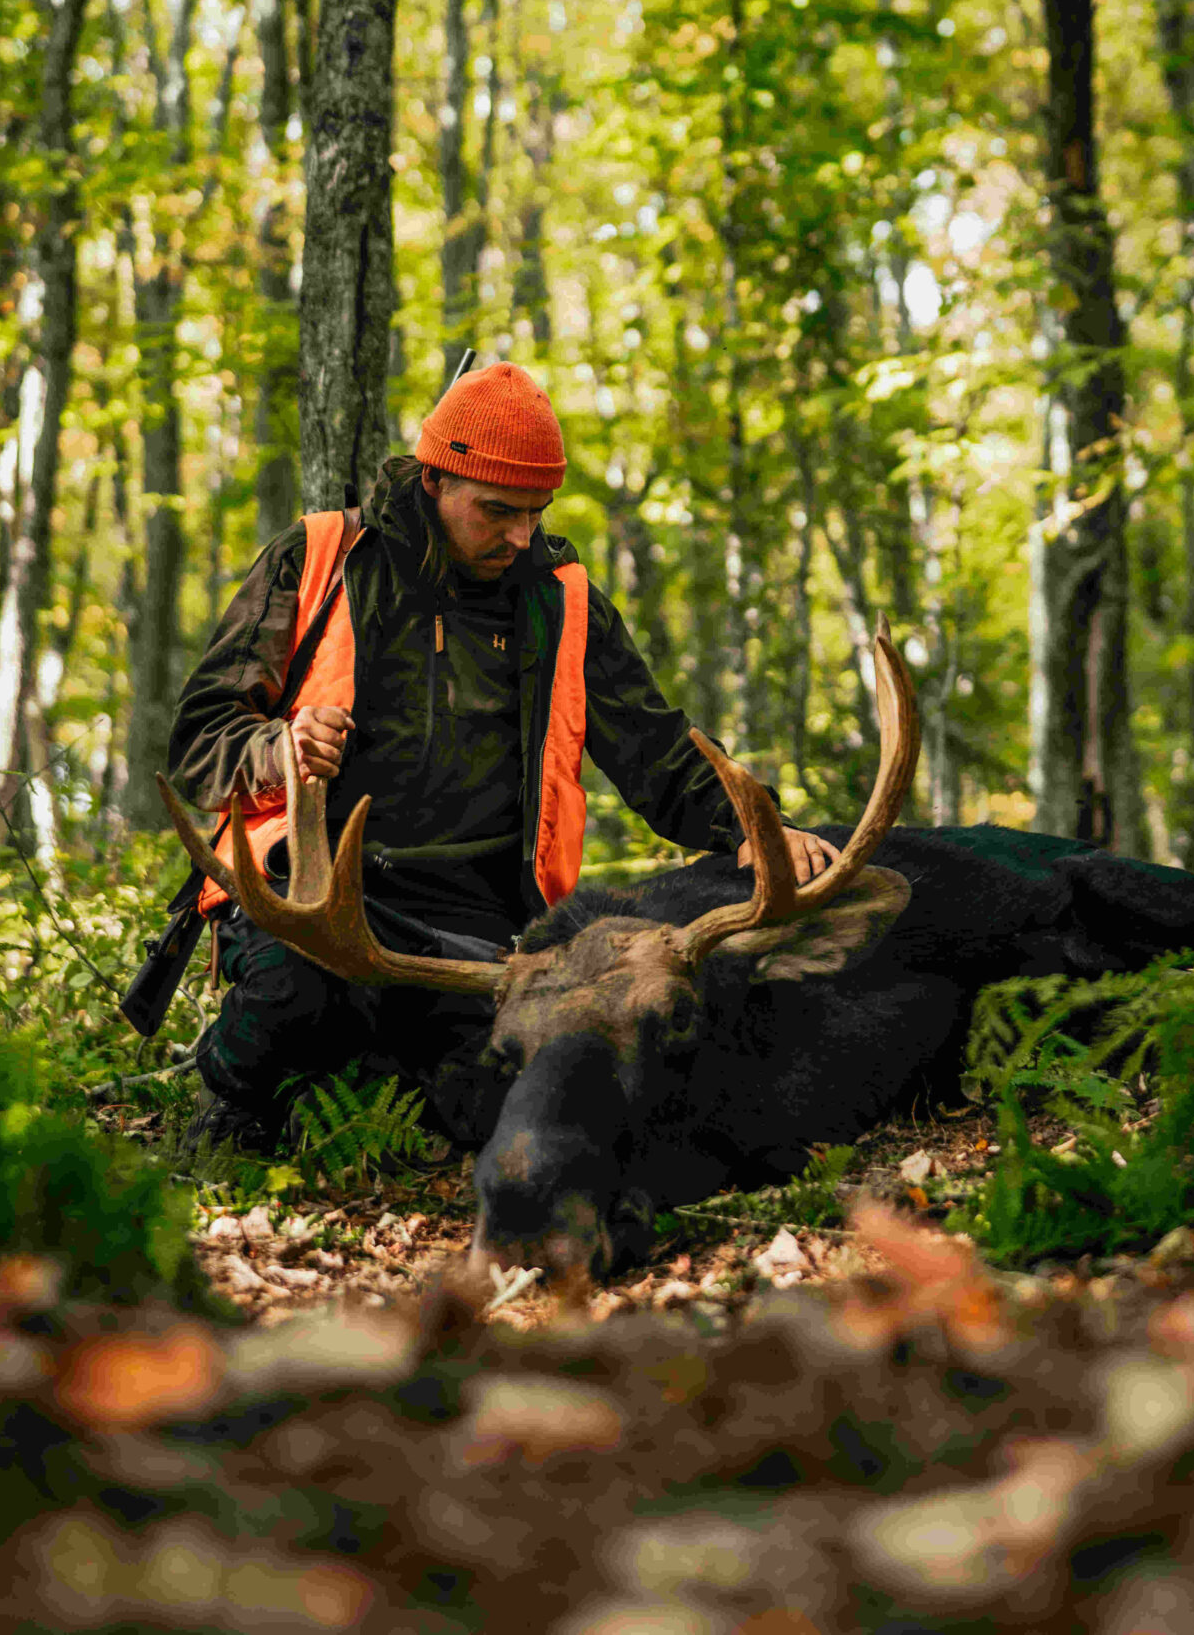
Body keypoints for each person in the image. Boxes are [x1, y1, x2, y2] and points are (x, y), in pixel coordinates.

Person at [166, 360, 837, 1155]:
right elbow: (198, 737)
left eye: (535, 512)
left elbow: (661, 751)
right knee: (294, 992)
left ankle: (380, 1082)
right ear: (434, 480)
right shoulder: (317, 561)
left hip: (483, 932)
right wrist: (277, 748)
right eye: (496, 511)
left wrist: (757, 831)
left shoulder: (563, 600)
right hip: (320, 900)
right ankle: (229, 1106)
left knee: (516, 1092)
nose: (519, 535)